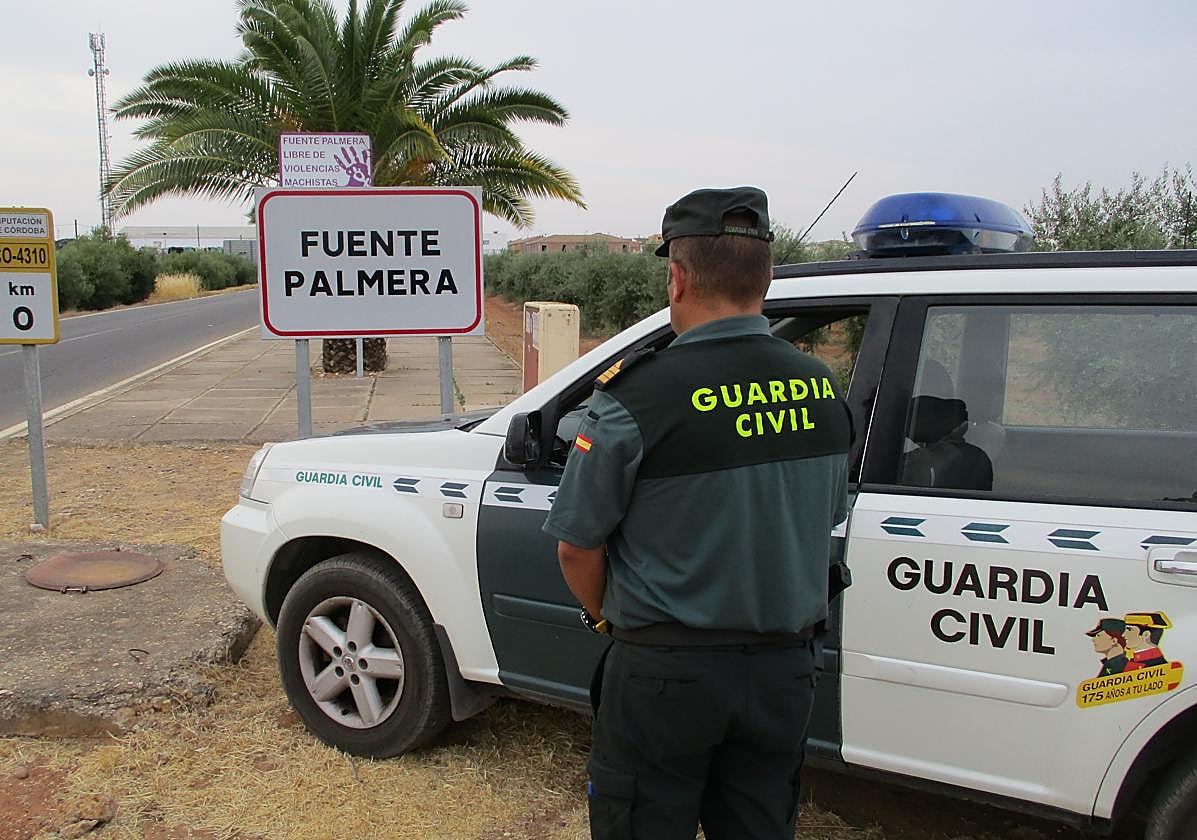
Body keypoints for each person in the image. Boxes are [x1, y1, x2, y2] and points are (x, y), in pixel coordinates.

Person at [542, 186, 853, 839]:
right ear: (765, 278)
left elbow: (577, 546)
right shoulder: (821, 389)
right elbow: (824, 514)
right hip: (782, 676)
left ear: (676, 277)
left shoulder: (637, 395)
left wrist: (605, 623)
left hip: (664, 677)